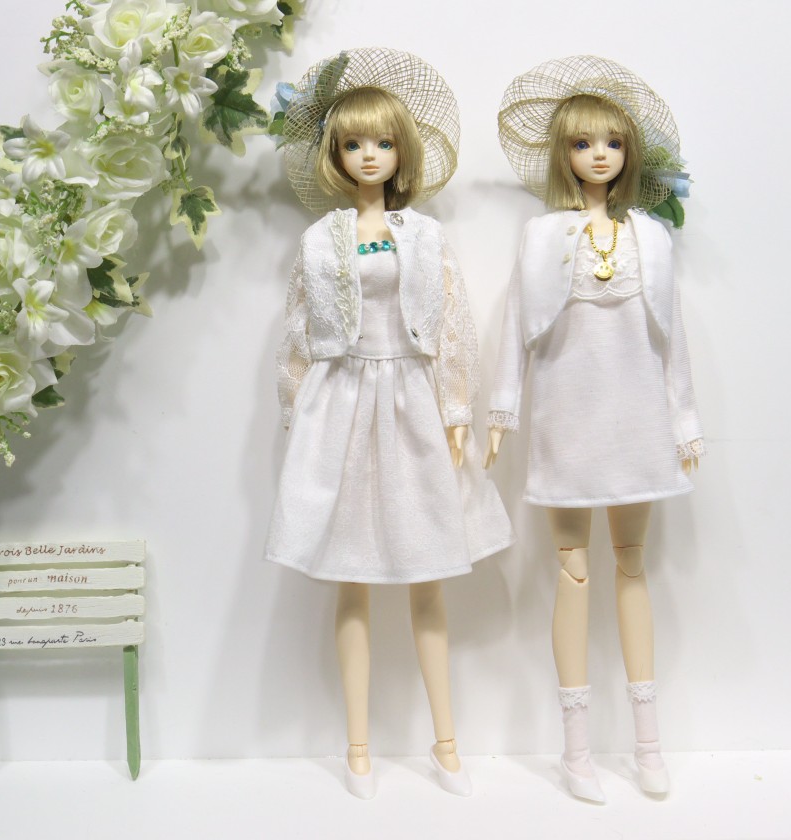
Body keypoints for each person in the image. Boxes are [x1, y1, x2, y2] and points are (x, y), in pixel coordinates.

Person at [265, 48, 514, 799]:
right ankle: (359, 749)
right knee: (352, 580)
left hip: (410, 401)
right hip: (342, 403)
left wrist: (457, 407)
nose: (368, 155)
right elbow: (298, 330)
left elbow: (453, 324)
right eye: (353, 143)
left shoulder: (425, 236)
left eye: (381, 142)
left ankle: (447, 743)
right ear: (335, 155)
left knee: (427, 576)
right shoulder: (320, 239)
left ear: (402, 150)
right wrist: (296, 409)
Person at [485, 55, 703, 802]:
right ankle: (575, 750)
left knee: (632, 566)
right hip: (568, 416)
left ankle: (648, 743)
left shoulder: (652, 237)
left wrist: (684, 420)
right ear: (564, 155)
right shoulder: (542, 236)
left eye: (612, 141)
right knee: (573, 569)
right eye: (583, 143)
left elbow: (672, 337)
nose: (599, 154)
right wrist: (502, 412)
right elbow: (516, 326)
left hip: (637, 415)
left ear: (630, 152)